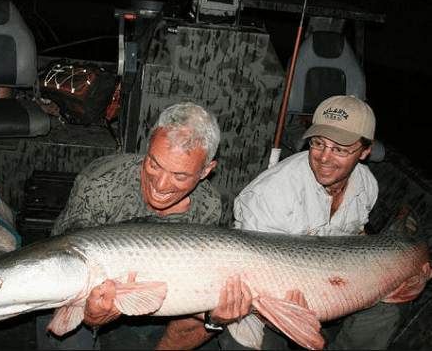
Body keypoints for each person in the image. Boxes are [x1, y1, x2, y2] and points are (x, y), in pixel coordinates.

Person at [155, 95, 408, 350]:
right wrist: (294, 313)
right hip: (262, 302)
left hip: (332, 283)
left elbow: (356, 235)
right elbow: (251, 283)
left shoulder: (367, 184)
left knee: (391, 306)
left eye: (340, 149)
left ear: (365, 151)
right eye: (318, 143)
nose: (324, 158)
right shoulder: (269, 194)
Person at [39, 102, 223, 350]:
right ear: (148, 145)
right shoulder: (100, 182)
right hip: (79, 289)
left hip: (159, 298)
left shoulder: (208, 205)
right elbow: (67, 263)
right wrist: (92, 315)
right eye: (154, 164)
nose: (160, 184)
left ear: (205, 171)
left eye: (180, 177)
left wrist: (215, 316)